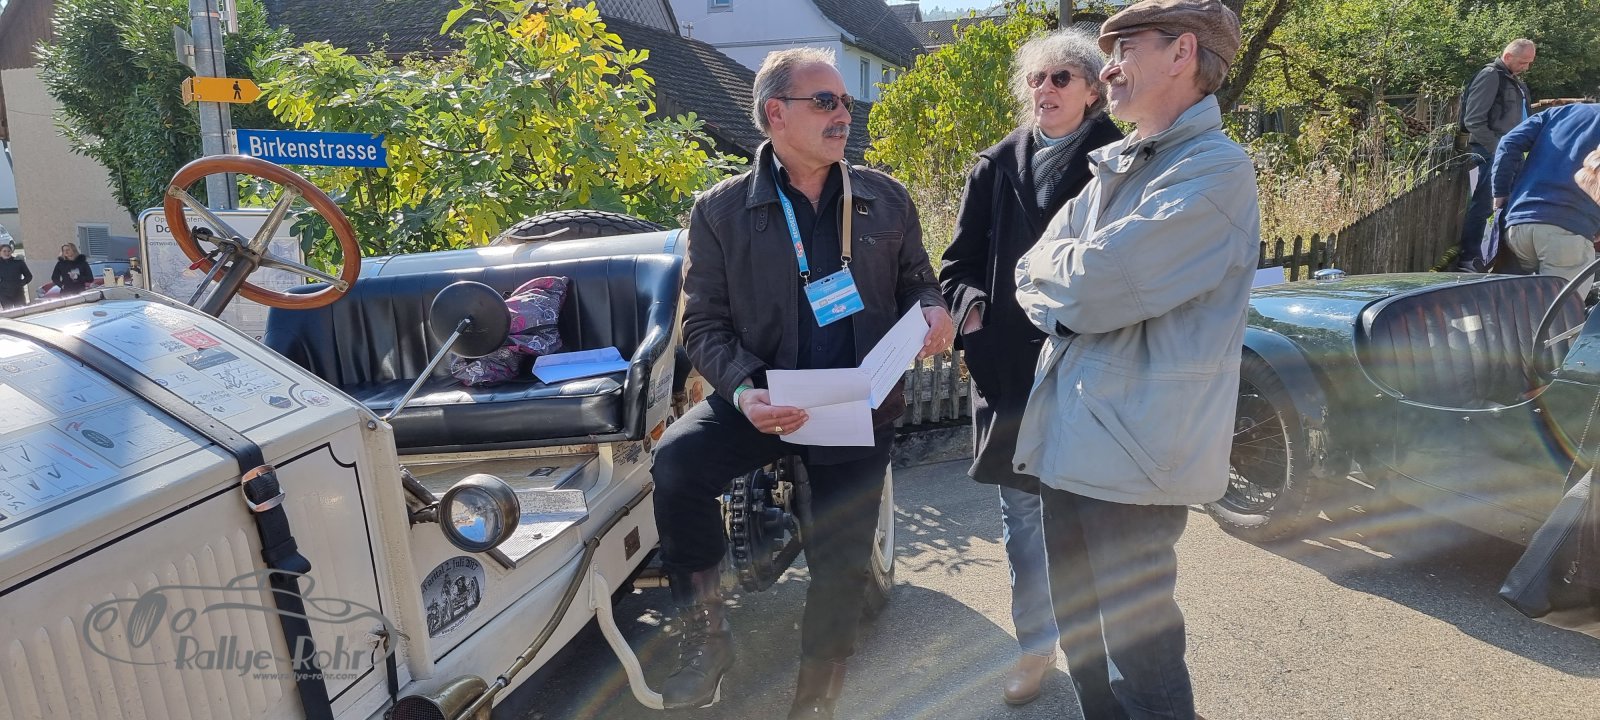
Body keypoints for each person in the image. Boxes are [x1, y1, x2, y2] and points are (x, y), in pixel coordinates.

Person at [650, 47, 954, 718]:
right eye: (825, 101)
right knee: (676, 463)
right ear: (776, 113)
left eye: (845, 101)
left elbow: (917, 280)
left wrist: (933, 308)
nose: (844, 113)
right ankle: (707, 638)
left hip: (856, 403)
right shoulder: (720, 211)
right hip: (766, 396)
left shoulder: (885, 198)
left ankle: (817, 695)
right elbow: (703, 324)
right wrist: (744, 392)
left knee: (842, 559)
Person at [1012, 1, 1258, 717]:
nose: (1108, 67)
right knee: (1084, 642)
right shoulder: (1118, 165)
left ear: (1183, 53)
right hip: (1071, 437)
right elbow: (1031, 270)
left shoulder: (1215, 170)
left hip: (1132, 452)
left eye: (1124, 48)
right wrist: (1067, 283)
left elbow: (1093, 284)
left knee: (1140, 656)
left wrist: (1065, 284)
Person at [938, 28, 1122, 707]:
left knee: (1099, 521)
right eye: (1036, 78)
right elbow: (957, 263)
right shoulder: (994, 166)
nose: (1044, 89)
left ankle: (1108, 655)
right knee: (1022, 521)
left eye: (1061, 77)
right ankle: (1036, 647)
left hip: (1091, 366)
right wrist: (974, 320)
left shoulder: (1121, 161)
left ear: (1093, 91)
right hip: (1011, 371)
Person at [1489, 102, 1600, 281]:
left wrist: (1500, 192)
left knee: (1515, 297)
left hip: (1517, 228)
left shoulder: (1558, 112)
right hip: (1568, 232)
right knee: (1564, 299)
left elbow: (1509, 141)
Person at [1457, 39, 1536, 271]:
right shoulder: (1490, 76)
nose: (1526, 67)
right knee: (1484, 206)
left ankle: (1501, 257)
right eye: (1523, 62)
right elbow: (1473, 120)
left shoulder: (1513, 80)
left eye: (1529, 63)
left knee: (1514, 204)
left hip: (1511, 152)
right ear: (1508, 56)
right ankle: (1469, 258)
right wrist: (1498, 149)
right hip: (1492, 152)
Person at [0, 244, 32, 309]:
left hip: (18, 292)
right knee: (9, 313)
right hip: (4, 294)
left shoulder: (18, 262)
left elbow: (29, 276)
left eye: (9, 251)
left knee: (21, 311)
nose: (7, 253)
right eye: (4, 251)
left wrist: (21, 283)